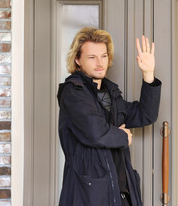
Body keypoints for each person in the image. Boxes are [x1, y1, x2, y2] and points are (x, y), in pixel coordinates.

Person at [57, 27, 161, 206]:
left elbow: (146, 115)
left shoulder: (110, 93)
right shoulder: (73, 91)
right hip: (89, 195)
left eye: (103, 56)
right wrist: (123, 136)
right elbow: (95, 132)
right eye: (92, 57)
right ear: (77, 60)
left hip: (121, 193)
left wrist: (148, 75)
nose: (100, 62)